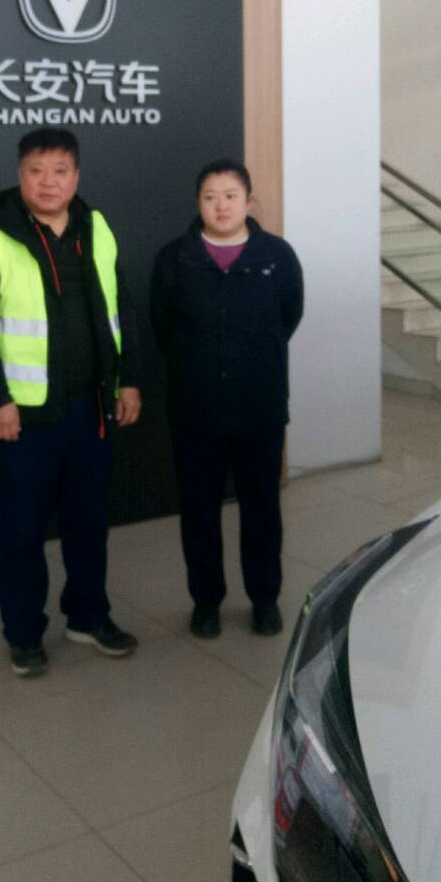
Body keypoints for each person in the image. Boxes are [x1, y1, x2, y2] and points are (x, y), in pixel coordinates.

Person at [0, 128, 142, 677]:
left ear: (76, 176)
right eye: (37, 171)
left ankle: (88, 617)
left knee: (89, 523)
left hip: (92, 408)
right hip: (25, 416)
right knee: (22, 530)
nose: (49, 182)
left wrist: (128, 380)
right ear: (21, 175)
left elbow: (122, 307)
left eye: (60, 171)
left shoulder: (96, 226)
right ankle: (23, 634)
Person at [150, 159, 303, 638]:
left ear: (248, 201)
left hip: (259, 408)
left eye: (231, 196)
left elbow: (289, 316)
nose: (221, 206)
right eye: (211, 197)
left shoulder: (277, 256)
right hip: (195, 410)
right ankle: (206, 601)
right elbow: (162, 328)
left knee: (262, 508)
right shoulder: (174, 258)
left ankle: (264, 598)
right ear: (198, 203)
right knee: (199, 512)